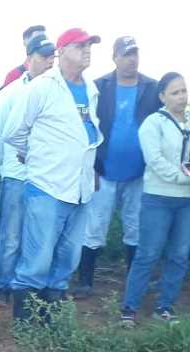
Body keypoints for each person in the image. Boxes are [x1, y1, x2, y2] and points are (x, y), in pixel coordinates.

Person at [4, 28, 102, 324]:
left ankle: (49, 319)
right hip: (48, 185)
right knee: (38, 257)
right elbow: (13, 131)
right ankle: (25, 323)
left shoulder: (90, 88)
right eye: (80, 45)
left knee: (68, 257)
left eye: (89, 45)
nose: (87, 50)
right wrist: (34, 155)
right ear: (61, 51)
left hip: (80, 187)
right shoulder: (42, 86)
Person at [73, 36, 161, 298]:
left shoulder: (152, 88)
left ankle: (135, 281)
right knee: (95, 226)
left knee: (135, 227)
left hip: (139, 173)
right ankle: (85, 281)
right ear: (115, 57)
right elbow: (87, 127)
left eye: (135, 53)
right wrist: (91, 166)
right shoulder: (99, 86)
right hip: (104, 171)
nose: (131, 59)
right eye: (126, 54)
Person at [0, 34, 56, 306]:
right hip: (17, 175)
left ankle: (30, 289)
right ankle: (2, 286)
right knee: (11, 235)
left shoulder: (60, 91)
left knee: (41, 235)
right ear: (29, 60)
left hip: (48, 177)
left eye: (52, 56)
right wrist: (9, 163)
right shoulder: (10, 93)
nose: (50, 61)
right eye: (43, 56)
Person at [120, 73, 190, 325]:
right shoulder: (153, 123)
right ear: (162, 97)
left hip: (186, 202)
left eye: (184, 90)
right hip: (158, 198)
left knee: (180, 255)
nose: (181, 97)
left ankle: (165, 307)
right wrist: (183, 178)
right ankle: (129, 309)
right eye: (175, 92)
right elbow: (155, 160)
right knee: (148, 254)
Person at [1, 25, 46, 90]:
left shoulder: (57, 73)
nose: (41, 42)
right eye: (37, 38)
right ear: (25, 42)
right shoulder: (14, 75)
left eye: (44, 38)